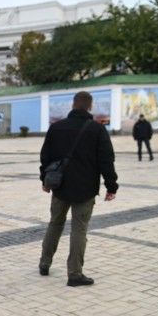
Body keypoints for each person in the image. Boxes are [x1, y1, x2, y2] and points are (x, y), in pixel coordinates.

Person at [39, 91, 118, 286]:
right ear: (90, 106)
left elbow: (45, 156)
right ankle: (74, 274)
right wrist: (111, 185)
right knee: (79, 229)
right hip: (86, 188)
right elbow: (106, 160)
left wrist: (45, 180)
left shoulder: (56, 128)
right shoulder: (97, 130)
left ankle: (44, 263)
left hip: (60, 186)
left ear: (73, 105)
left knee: (55, 223)